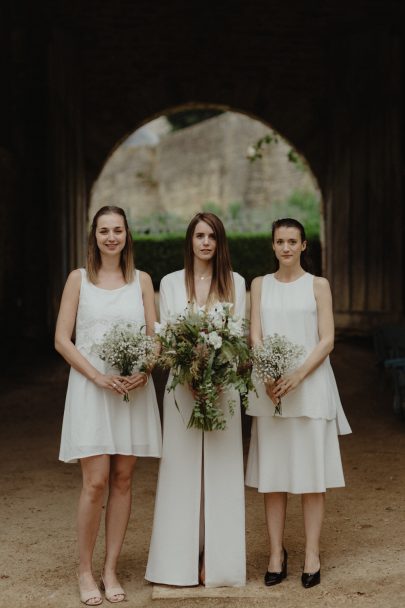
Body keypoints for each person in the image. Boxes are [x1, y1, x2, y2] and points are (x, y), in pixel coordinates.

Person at [55, 205, 162, 605]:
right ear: (94, 236)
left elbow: (155, 338)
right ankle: (84, 570)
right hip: (91, 388)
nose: (111, 237)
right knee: (95, 481)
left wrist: (146, 369)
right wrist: (97, 376)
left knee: (123, 480)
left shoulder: (142, 281)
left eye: (118, 230)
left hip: (131, 390)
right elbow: (62, 339)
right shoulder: (78, 279)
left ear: (127, 235)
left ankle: (110, 568)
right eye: (104, 231)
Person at [245, 218, 351, 589]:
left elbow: (327, 339)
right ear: (272, 246)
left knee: (310, 476)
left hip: (309, 386)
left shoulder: (318, 286)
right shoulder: (259, 285)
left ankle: (311, 553)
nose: (286, 247)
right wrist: (270, 373)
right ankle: (276, 552)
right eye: (279, 241)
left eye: (293, 241)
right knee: (273, 477)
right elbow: (254, 335)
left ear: (304, 245)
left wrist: (297, 376)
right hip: (270, 388)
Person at [145, 212, 246, 588]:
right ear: (190, 240)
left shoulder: (235, 282)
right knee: (180, 470)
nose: (205, 242)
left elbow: (238, 334)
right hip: (182, 387)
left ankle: (218, 563)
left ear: (220, 243)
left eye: (212, 236)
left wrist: (217, 375)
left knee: (221, 470)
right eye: (199, 235)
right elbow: (167, 335)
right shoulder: (170, 283)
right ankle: (177, 562)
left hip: (222, 384)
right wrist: (188, 374)